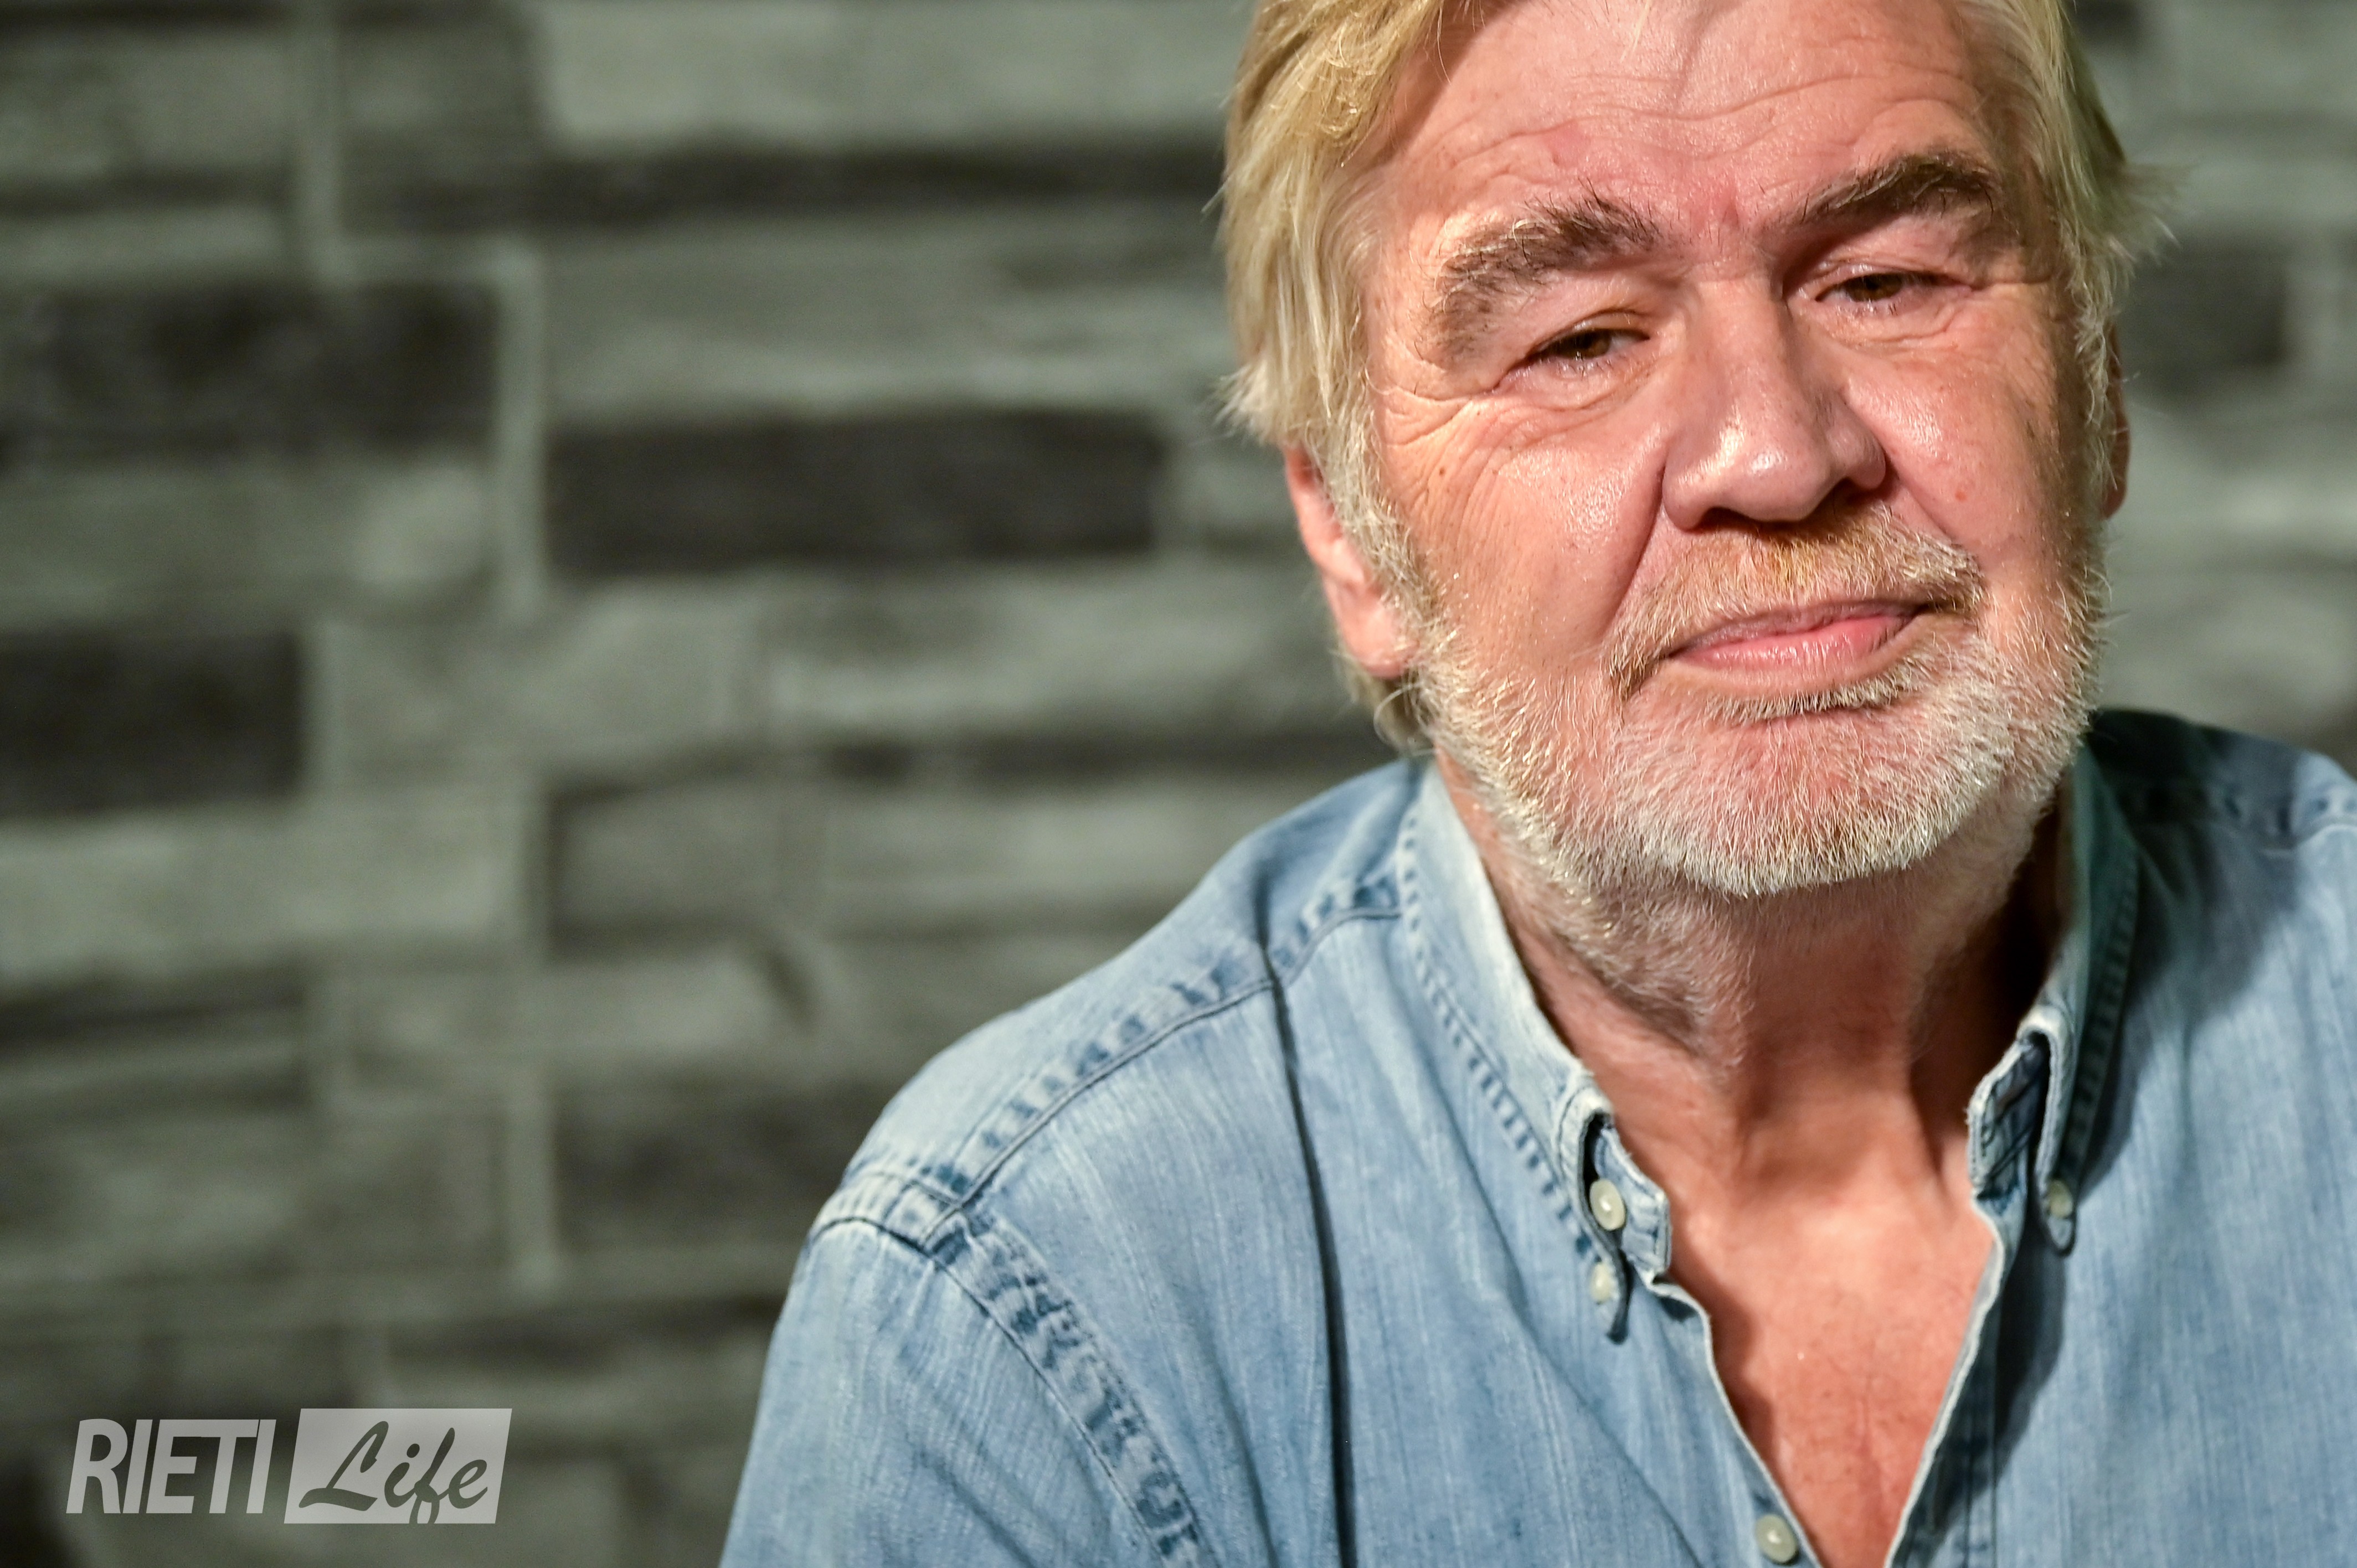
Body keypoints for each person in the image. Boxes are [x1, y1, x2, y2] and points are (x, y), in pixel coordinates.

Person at [724, 0, 2357, 1563]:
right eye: (1581, 340)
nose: (1778, 456)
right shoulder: (1020, 1309)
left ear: (2098, 381)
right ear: (1353, 533)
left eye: (1884, 280)